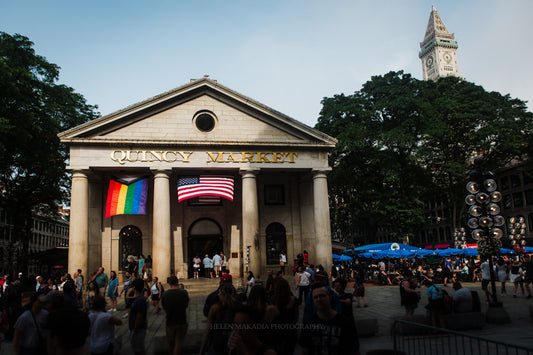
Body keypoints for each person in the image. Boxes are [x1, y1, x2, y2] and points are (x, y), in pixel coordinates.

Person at [299, 284, 360, 355]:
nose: (319, 299)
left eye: (322, 296)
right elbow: (304, 350)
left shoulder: (345, 323)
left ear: (330, 297)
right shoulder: (308, 324)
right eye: (316, 297)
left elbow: (354, 350)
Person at [200, 282, 241, 355]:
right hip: (232, 347)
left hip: (217, 345)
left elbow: (207, 331)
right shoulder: (238, 308)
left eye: (220, 292)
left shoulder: (215, 308)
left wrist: (201, 351)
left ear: (223, 294)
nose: (218, 294)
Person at [161, 276, 189, 355]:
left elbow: (164, 307)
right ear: (177, 282)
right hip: (181, 320)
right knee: (178, 342)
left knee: (170, 343)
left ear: (169, 283)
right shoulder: (183, 293)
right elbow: (186, 305)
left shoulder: (165, 294)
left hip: (170, 321)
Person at [129, 278, 148, 355]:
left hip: (137, 329)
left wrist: (135, 329)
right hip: (138, 328)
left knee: (139, 350)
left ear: (134, 287)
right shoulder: (139, 299)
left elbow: (139, 316)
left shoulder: (140, 300)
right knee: (138, 349)